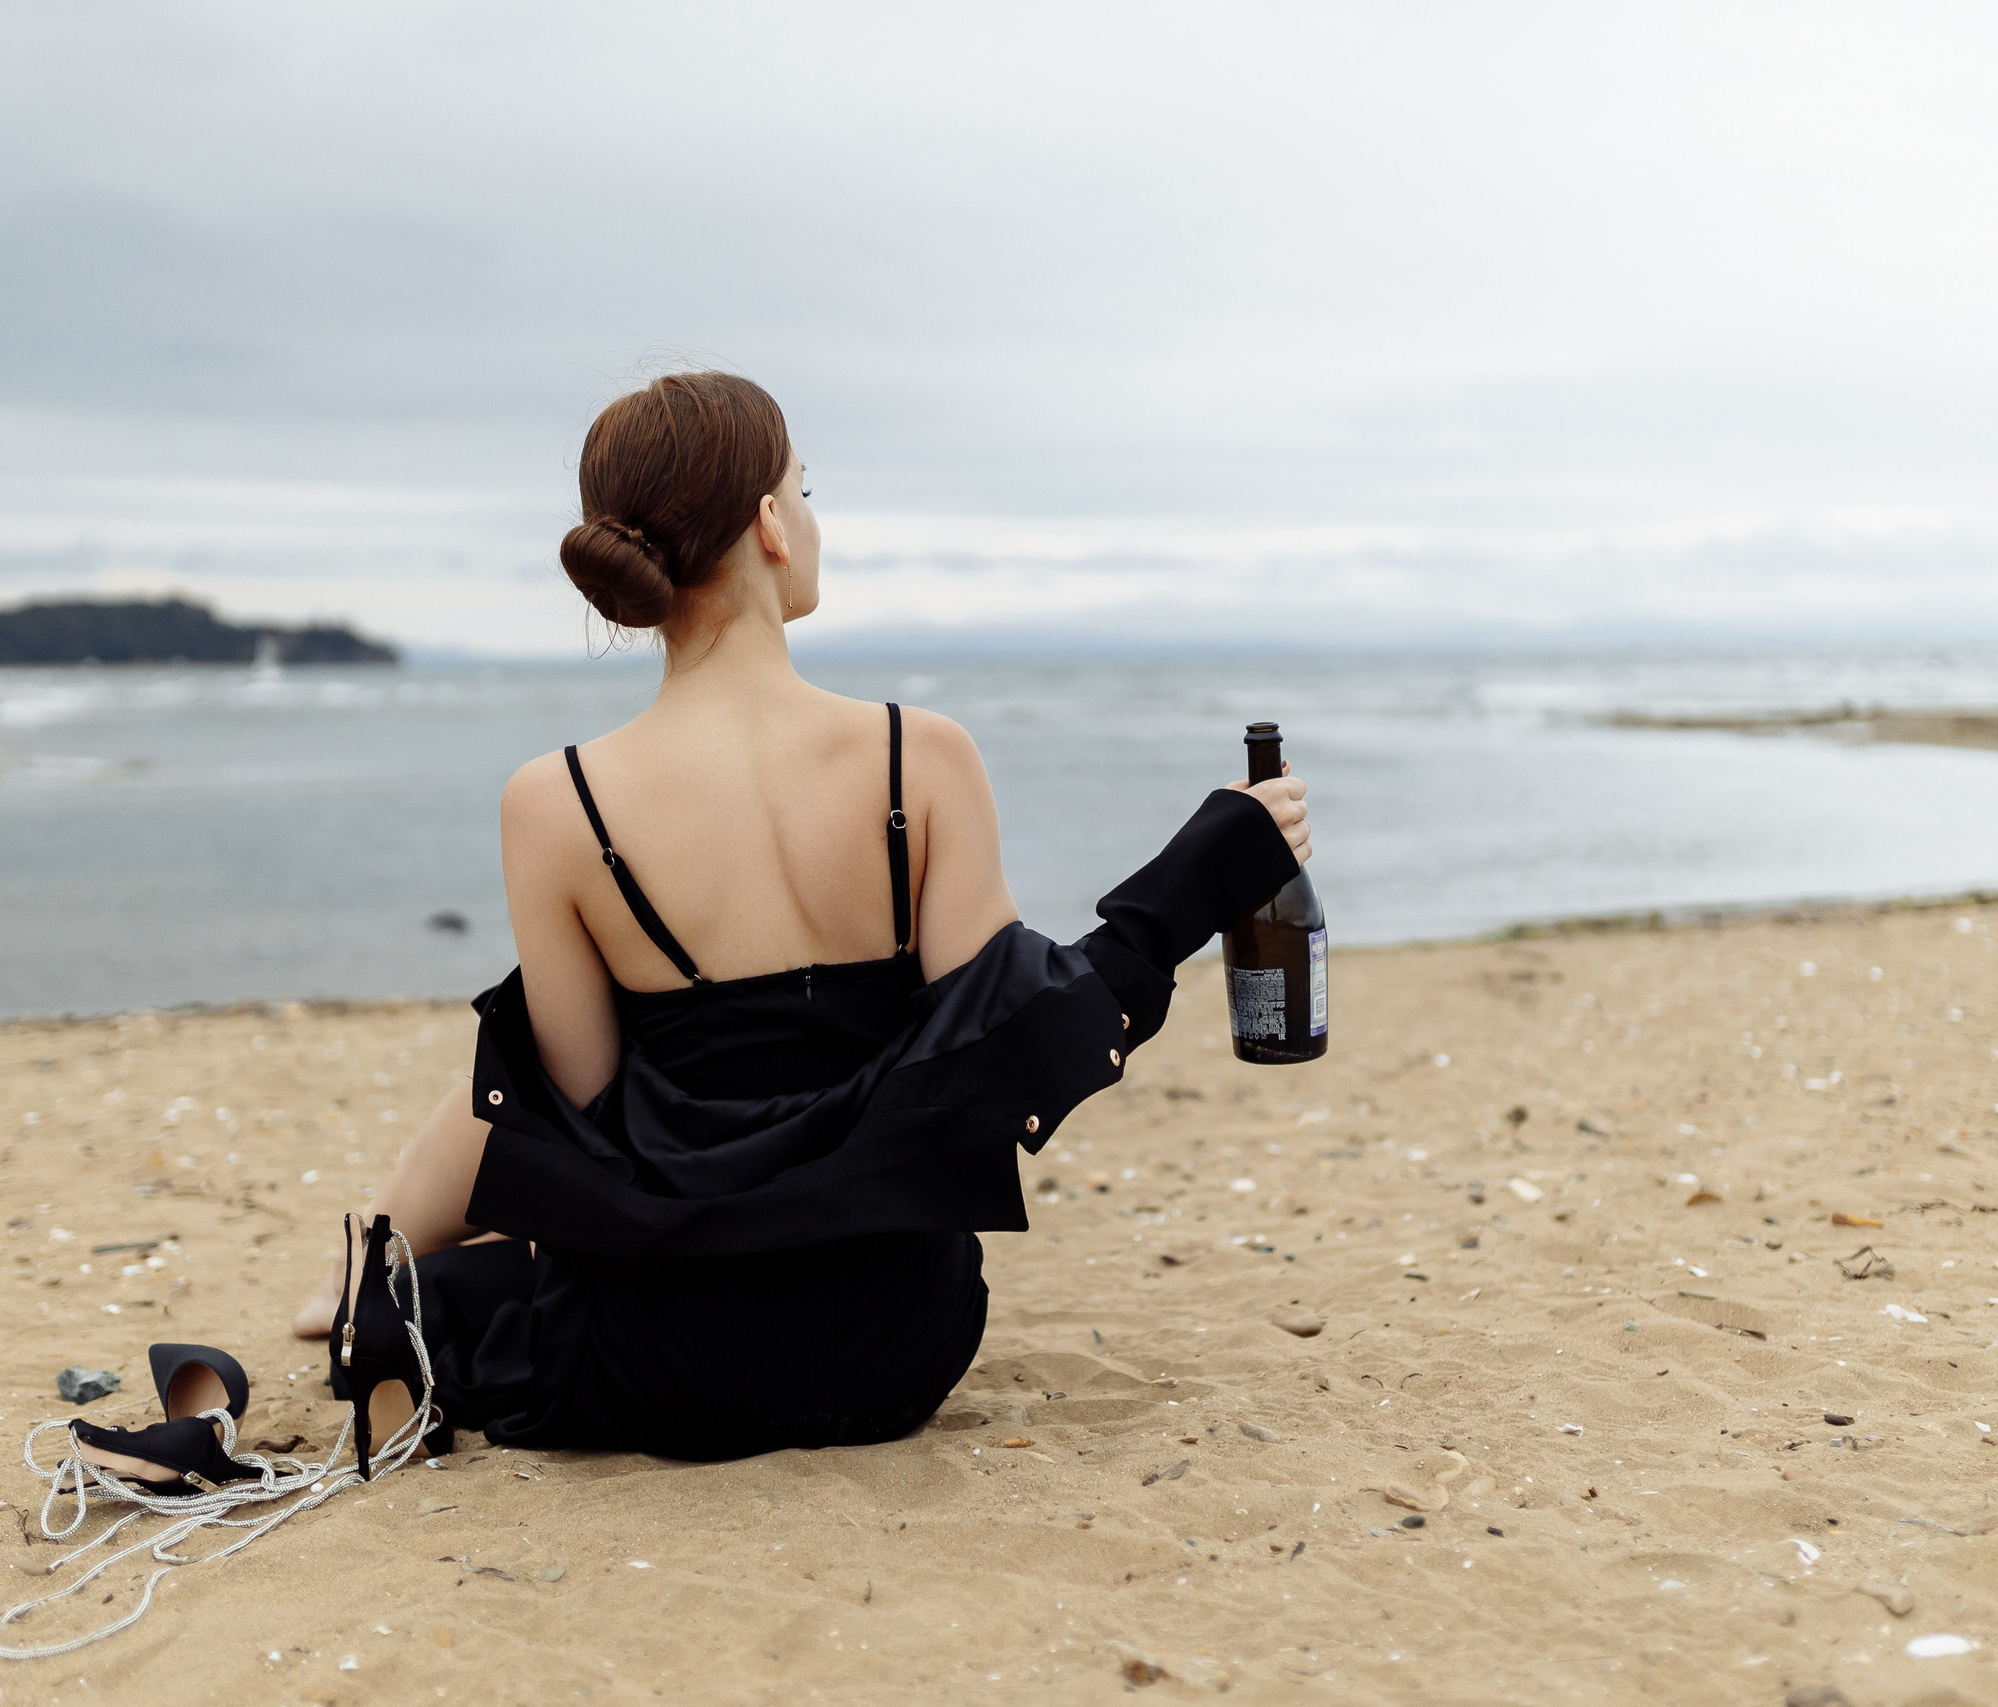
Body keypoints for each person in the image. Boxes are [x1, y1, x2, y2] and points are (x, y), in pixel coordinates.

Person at [291, 372, 1311, 1461]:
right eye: (804, 490)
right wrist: (1212, 863)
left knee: (465, 1256)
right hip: (896, 1340)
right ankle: (377, 1268)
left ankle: (371, 1274)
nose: (810, 517)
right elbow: (1009, 1043)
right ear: (770, 524)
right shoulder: (919, 756)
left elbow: (585, 1115)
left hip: (654, 1357)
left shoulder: (555, 801)